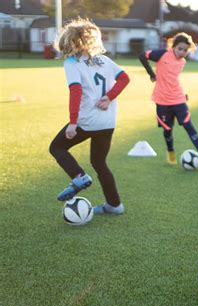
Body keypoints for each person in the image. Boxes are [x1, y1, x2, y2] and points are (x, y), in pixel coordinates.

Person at [49, 18, 130, 214]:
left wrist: (73, 123)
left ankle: (79, 176)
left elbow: (75, 91)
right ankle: (115, 205)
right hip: (108, 121)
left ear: (69, 42)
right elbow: (124, 78)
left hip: (87, 121)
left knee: (57, 147)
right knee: (99, 162)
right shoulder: (105, 59)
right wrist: (109, 97)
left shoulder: (72, 62)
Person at [139, 32, 198, 165]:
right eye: (180, 48)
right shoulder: (161, 54)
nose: (182, 52)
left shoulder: (182, 62)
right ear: (173, 47)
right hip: (162, 100)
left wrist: (183, 94)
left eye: (185, 50)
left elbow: (173, 79)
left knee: (189, 126)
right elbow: (142, 56)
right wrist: (151, 74)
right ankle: (171, 152)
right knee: (167, 129)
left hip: (178, 99)